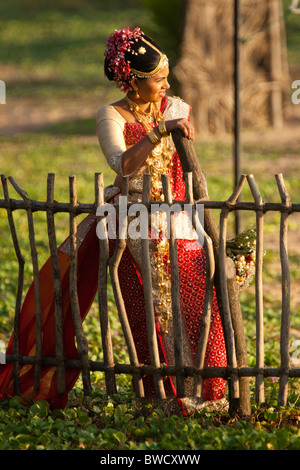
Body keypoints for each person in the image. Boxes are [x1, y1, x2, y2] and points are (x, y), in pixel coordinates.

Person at [0, 27, 227, 415]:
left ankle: (211, 394)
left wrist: (168, 124)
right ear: (133, 81)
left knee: (197, 305)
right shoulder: (111, 115)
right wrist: (158, 132)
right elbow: (122, 165)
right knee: (141, 312)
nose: (167, 84)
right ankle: (159, 395)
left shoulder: (176, 108)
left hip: (178, 222)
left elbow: (183, 165)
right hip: (131, 226)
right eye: (159, 78)